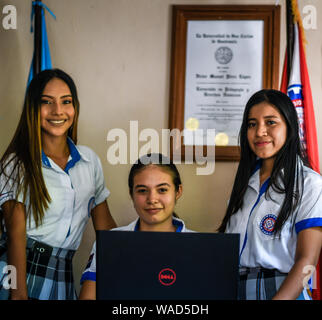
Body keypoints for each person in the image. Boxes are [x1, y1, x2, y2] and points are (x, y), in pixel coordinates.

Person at [0, 69, 116, 300]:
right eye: (47, 102)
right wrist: (18, 295)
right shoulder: (17, 162)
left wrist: (144, 245)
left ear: (75, 108)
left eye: (66, 102)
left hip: (62, 274)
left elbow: (107, 231)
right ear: (33, 108)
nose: (58, 111)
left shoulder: (89, 161)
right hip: (17, 273)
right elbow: (15, 236)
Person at [218, 89, 322, 300]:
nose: (259, 132)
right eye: (252, 124)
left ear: (289, 127)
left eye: (270, 122)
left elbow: (307, 261)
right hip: (236, 290)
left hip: (284, 292)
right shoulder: (244, 184)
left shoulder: (309, 183)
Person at [79, 153, 193, 300]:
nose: (152, 199)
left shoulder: (201, 247)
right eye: (142, 190)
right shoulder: (109, 244)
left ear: (178, 191)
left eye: (162, 190)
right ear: (131, 194)